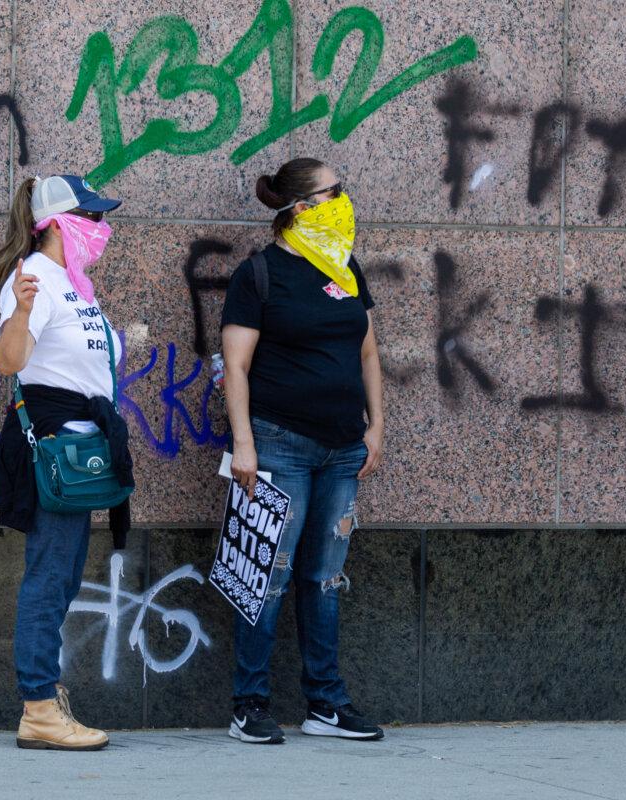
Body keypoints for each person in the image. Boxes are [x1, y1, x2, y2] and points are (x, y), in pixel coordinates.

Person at [220, 157, 386, 744]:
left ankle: (326, 704)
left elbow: (368, 353)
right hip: (279, 446)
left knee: (323, 579)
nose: (343, 199)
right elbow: (234, 367)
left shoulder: (345, 267)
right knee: (267, 575)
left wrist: (376, 427)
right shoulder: (260, 274)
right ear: (301, 207)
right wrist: (244, 444)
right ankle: (250, 704)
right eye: (332, 191)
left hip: (344, 448)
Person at [0, 174, 133, 751]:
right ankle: (38, 708)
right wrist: (20, 312)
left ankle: (45, 700)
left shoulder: (77, 284)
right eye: (92, 217)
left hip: (83, 454)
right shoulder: (34, 280)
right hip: (55, 454)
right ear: (57, 223)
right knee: (49, 579)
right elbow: (9, 360)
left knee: (63, 575)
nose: (101, 228)